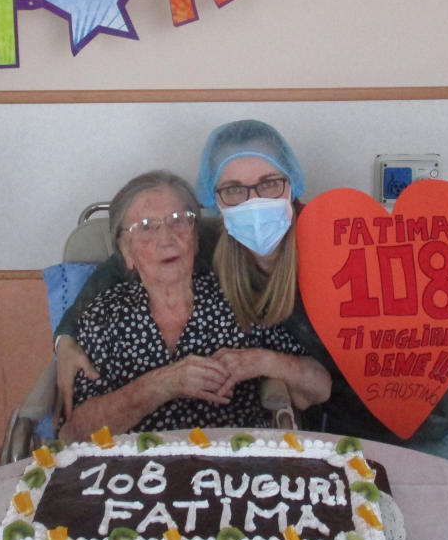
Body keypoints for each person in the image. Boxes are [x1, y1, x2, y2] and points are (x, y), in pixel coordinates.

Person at [54, 122, 448, 467]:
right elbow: (129, 259)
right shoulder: (214, 244)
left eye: (269, 184)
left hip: (428, 420)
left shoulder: (343, 241)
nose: (253, 202)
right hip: (338, 425)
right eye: (234, 189)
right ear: (215, 200)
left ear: (292, 185)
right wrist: (67, 334)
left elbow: (430, 321)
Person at [56, 169, 330, 444]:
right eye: (147, 227)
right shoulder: (103, 316)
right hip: (129, 476)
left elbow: (320, 387)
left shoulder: (238, 298)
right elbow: (73, 435)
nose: (166, 239)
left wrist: (262, 360)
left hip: (233, 471)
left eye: (178, 221)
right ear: (126, 253)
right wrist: (163, 384)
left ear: (196, 238)